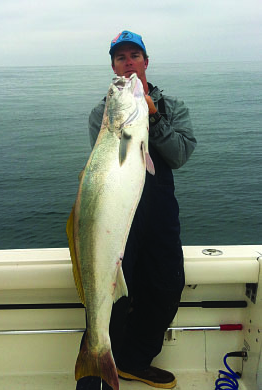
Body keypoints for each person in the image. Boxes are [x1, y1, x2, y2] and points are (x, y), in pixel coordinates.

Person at [76, 30, 197, 390]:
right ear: (113, 65)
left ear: (146, 61)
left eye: (134, 56)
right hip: (118, 212)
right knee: (110, 290)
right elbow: (106, 168)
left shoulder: (173, 106)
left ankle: (131, 360)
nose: (127, 64)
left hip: (160, 211)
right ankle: (94, 371)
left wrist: (155, 117)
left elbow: (178, 155)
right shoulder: (103, 111)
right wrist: (129, 113)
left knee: (165, 286)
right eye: (120, 58)